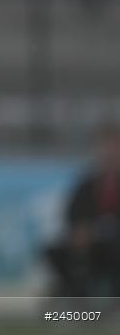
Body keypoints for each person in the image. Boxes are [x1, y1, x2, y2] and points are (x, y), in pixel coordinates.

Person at [46, 123, 120, 300]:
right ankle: (75, 299)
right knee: (56, 251)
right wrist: (80, 230)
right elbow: (73, 213)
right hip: (91, 242)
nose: (108, 153)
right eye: (104, 148)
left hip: (114, 242)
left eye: (113, 148)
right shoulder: (87, 184)